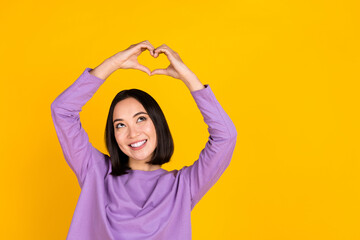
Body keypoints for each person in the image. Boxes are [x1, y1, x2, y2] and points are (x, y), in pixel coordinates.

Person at [51, 40, 237, 240]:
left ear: (157, 124)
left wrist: (188, 77)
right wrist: (113, 63)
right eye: (120, 125)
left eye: (141, 119)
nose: (133, 133)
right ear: (113, 135)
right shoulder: (95, 171)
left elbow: (225, 137)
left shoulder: (183, 187)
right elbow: (62, 111)